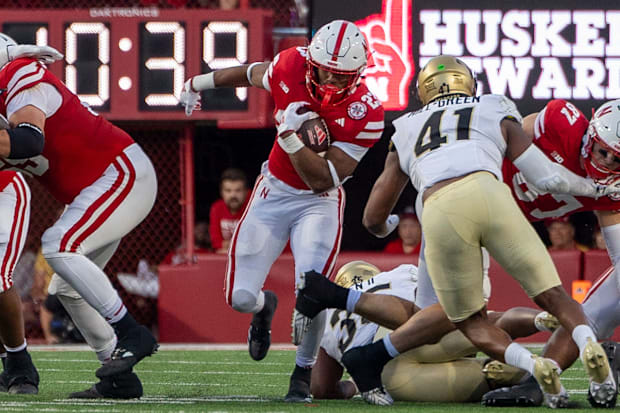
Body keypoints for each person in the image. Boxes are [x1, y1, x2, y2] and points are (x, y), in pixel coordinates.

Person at [295, 55, 618, 407]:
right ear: (471, 85)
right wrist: (595, 190)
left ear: (422, 92)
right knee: (547, 297)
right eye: (604, 152)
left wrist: (385, 225)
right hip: (494, 197)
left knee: (456, 314)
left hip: (440, 207)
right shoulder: (498, 107)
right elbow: (544, 174)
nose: (607, 163)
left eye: (616, 160)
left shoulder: (405, 125)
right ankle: (578, 345)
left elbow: (373, 218)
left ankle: (358, 330)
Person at [180, 19, 384, 402]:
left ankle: (302, 374)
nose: (332, 81)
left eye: (342, 76)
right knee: (239, 296)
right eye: (326, 70)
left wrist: (289, 137)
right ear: (313, 61)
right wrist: (197, 83)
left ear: (358, 73)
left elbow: (324, 179)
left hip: (318, 203)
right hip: (272, 192)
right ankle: (263, 308)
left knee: (313, 290)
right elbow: (252, 73)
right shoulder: (291, 64)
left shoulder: (366, 112)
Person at [0, 33, 158, 399]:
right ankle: (119, 378)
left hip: (120, 173)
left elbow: (28, 142)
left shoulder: (20, 75)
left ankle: (131, 332)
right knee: (67, 289)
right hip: (97, 188)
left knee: (58, 245)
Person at [313, 261, 560, 403]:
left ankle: (504, 372)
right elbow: (435, 302)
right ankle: (542, 319)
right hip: (418, 331)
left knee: (494, 377)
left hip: (389, 373)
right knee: (486, 323)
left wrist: (353, 386)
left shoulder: (329, 315)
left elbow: (322, 389)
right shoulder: (399, 272)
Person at [209, 168, 249, 254]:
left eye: (238, 190)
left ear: (246, 192)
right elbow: (216, 243)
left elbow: (256, 243)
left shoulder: (253, 207)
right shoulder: (216, 208)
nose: (233, 195)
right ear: (221, 192)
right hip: (224, 258)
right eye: (228, 191)